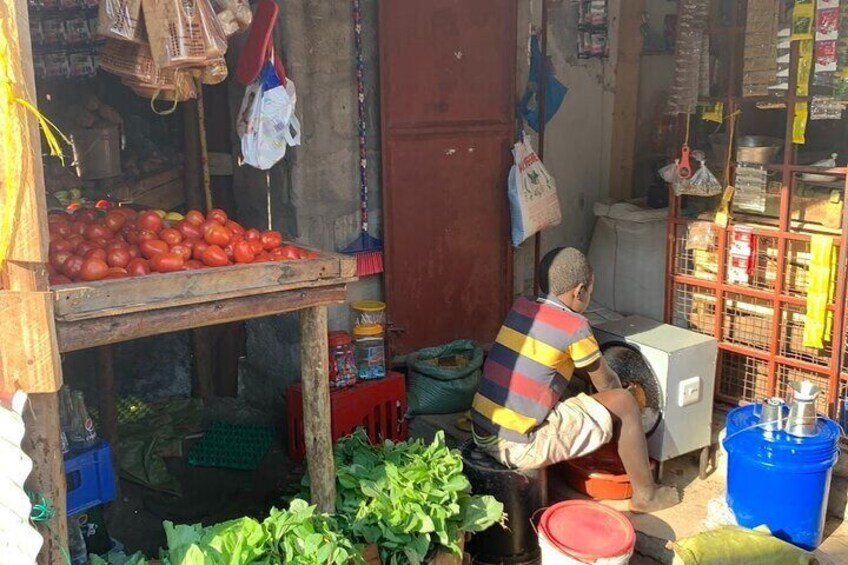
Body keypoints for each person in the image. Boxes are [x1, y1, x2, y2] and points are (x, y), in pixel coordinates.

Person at [471, 247, 679, 512]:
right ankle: (646, 496)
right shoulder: (575, 326)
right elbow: (608, 385)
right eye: (590, 292)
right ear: (579, 291)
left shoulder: (522, 308)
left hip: (482, 432)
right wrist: (629, 403)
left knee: (573, 390)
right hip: (516, 447)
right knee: (624, 404)